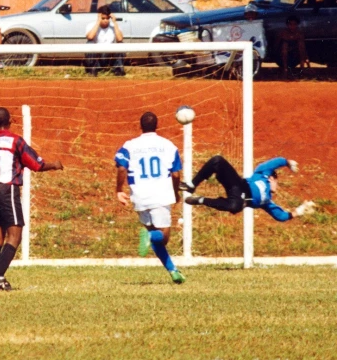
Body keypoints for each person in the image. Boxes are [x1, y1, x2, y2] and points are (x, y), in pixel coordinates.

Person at [0, 107, 64, 291]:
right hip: (7, 189)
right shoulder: (15, 141)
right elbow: (36, 164)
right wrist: (54, 165)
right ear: (10, 121)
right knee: (15, 235)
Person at [115, 112, 186, 284]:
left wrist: (118, 189)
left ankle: (174, 272)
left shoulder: (129, 146)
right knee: (163, 236)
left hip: (139, 196)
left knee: (154, 235)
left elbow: (122, 168)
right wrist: (176, 193)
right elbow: (176, 174)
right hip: (160, 195)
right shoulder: (168, 145)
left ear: (140, 126)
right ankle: (150, 238)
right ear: (157, 126)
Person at [180, 155, 313, 221]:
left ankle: (201, 200)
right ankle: (192, 185)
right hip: (238, 184)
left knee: (235, 206)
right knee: (218, 160)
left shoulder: (267, 202)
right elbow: (274, 162)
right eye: (277, 181)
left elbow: (280, 216)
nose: (277, 186)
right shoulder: (263, 174)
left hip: (239, 201)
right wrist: (287, 162)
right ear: (272, 178)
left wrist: (298, 212)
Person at [85, 4, 125, 76]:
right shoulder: (91, 25)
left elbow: (120, 39)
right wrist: (98, 22)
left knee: (121, 44)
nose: (105, 21)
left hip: (109, 56)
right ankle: (92, 69)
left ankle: (118, 69)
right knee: (89, 43)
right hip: (97, 56)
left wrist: (115, 22)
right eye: (103, 18)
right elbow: (90, 37)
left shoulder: (114, 26)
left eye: (107, 18)